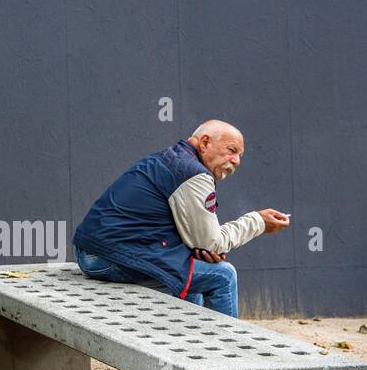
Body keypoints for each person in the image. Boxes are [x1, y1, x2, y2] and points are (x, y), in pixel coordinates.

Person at [72, 119, 290, 316]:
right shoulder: (193, 174)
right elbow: (212, 242)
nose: (237, 161)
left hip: (94, 253)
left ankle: (187, 350)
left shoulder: (173, 159)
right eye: (231, 150)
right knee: (223, 276)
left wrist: (198, 249)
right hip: (106, 259)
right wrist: (258, 222)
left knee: (194, 279)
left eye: (240, 155)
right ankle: (225, 356)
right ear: (204, 143)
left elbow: (196, 240)